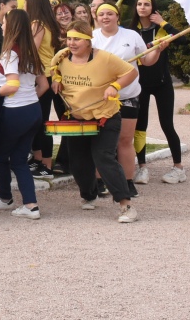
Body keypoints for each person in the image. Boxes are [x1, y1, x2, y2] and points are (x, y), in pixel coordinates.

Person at [51, 20, 139, 223]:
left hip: (105, 117)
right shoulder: (62, 57)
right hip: (77, 118)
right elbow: (53, 69)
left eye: (77, 40)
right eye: (69, 38)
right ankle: (89, 195)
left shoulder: (105, 58)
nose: (72, 43)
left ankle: (126, 205)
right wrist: (56, 79)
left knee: (103, 158)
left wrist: (115, 86)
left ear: (89, 40)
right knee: (79, 163)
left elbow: (131, 72)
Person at [92, 0, 165, 198]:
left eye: (110, 14)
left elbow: (146, 60)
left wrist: (157, 49)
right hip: (102, 97)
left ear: (117, 16)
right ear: (96, 18)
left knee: (125, 139)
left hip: (128, 95)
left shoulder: (131, 36)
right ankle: (100, 181)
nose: (105, 17)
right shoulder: (91, 38)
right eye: (102, 15)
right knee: (102, 141)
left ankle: (127, 181)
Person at [0, 9, 48, 219]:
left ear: (11, 27)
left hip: (14, 112)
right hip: (33, 110)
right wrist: (29, 100)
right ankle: (30, 205)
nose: (1, 25)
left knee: (0, 155)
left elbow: (11, 85)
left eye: (3, 22)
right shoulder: (32, 53)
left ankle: (4, 198)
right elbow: (44, 84)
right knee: (19, 159)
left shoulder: (11, 53)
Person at [128, 0, 185, 185]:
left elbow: (183, 41)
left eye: (146, 4)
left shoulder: (161, 30)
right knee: (140, 126)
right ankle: (142, 168)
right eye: (139, 4)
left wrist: (164, 22)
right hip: (139, 85)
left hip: (162, 83)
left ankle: (178, 168)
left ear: (153, 8)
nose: (142, 7)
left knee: (167, 124)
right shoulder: (131, 31)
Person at [25, 0, 63, 179]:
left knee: (41, 123)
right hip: (47, 75)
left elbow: (32, 50)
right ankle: (39, 159)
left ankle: (46, 165)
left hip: (41, 77)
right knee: (38, 121)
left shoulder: (37, 24)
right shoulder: (48, 23)